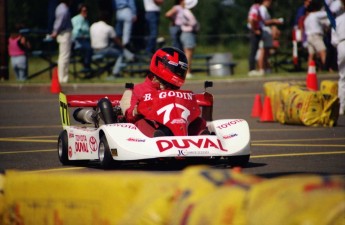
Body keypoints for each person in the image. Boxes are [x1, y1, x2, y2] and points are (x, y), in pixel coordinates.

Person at [124, 47, 207, 137]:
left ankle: (203, 137)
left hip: (177, 126)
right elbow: (129, 117)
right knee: (140, 123)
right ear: (160, 64)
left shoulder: (175, 90)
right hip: (154, 130)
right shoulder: (139, 89)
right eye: (176, 71)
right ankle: (158, 138)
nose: (179, 74)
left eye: (181, 71)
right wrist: (136, 110)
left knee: (199, 121)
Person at [90, 11, 133, 79]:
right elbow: (116, 41)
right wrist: (123, 46)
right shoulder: (108, 28)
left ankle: (130, 57)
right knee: (120, 54)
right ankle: (115, 73)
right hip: (103, 50)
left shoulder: (93, 26)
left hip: (93, 50)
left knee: (113, 48)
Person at [256, 0, 283, 75]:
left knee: (266, 51)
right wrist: (274, 21)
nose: (270, 3)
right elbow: (264, 22)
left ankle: (266, 68)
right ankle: (261, 69)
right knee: (263, 51)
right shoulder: (262, 9)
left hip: (267, 32)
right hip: (264, 32)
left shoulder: (265, 9)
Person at [50, 0, 73, 83]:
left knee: (63, 56)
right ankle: (62, 78)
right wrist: (55, 31)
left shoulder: (60, 7)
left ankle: (63, 77)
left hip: (63, 33)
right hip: (64, 33)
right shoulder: (64, 9)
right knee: (64, 56)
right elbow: (59, 21)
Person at [304, 0, 329, 68]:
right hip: (316, 36)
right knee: (323, 51)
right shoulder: (315, 15)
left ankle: (309, 70)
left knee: (311, 55)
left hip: (309, 37)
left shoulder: (307, 18)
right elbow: (326, 14)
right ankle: (326, 67)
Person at [331, 0, 345, 115]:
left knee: (342, 77)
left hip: (341, 45)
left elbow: (333, 40)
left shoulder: (338, 19)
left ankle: (341, 107)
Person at [180, 0, 199, 79]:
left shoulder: (184, 11)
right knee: (188, 54)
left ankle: (187, 72)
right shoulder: (187, 12)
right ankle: (187, 72)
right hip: (188, 34)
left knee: (188, 54)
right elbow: (193, 23)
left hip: (186, 34)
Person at [71, 3, 92, 70]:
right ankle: (86, 66)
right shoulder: (77, 19)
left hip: (86, 39)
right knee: (88, 48)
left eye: (86, 10)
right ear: (80, 11)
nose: (85, 12)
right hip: (79, 39)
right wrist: (82, 36)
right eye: (84, 11)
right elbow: (76, 31)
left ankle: (86, 64)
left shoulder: (86, 20)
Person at [247, 0, 263, 76]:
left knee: (255, 51)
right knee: (253, 51)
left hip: (255, 30)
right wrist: (255, 30)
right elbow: (251, 20)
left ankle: (253, 69)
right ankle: (251, 69)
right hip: (254, 31)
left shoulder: (256, 7)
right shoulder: (255, 8)